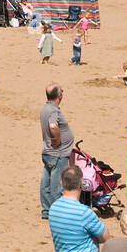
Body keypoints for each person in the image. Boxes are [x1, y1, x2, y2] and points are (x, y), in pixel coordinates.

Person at [39, 84, 74, 219]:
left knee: (45, 183)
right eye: (62, 91)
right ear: (59, 95)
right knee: (56, 186)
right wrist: (57, 138)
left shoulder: (45, 108)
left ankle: (47, 211)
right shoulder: (53, 111)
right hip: (58, 154)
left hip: (49, 152)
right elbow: (53, 126)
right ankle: (56, 213)